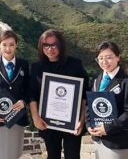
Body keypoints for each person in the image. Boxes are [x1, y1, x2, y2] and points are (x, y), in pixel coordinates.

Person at [29, 29, 89, 159]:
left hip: (72, 123)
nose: (50, 49)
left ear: (61, 45)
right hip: (48, 122)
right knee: (52, 156)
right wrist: (35, 117)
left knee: (73, 156)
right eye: (46, 45)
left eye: (54, 45)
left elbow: (84, 95)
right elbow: (32, 95)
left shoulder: (75, 65)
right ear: (41, 47)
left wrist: (81, 119)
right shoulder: (36, 68)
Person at [0, 30, 29, 159]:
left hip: (17, 117)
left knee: (15, 154)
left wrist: (23, 101)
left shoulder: (23, 64)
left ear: (16, 45)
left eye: (11, 44)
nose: (8, 48)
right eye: (4, 44)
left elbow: (28, 89)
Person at [86, 41, 128, 159]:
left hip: (117, 142)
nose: (104, 62)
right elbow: (90, 105)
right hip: (98, 140)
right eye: (100, 58)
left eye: (109, 57)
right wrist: (89, 124)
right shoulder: (96, 80)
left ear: (118, 57)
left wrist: (108, 128)